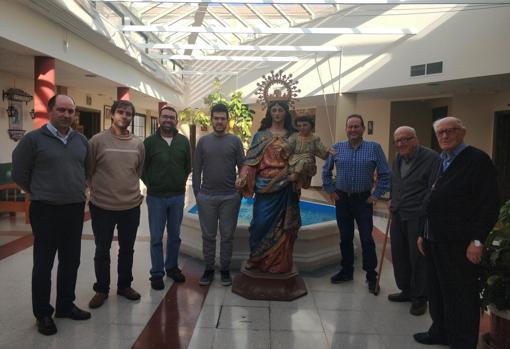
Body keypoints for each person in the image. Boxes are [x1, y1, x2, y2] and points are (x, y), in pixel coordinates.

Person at [414, 117, 500, 349]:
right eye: (440, 132)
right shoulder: (439, 160)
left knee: (461, 295)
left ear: (462, 132)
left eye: (450, 131)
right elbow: (431, 197)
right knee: (437, 291)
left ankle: (462, 342)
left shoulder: (477, 160)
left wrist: (478, 240)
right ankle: (440, 331)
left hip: (459, 243)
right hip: (434, 239)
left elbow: (489, 203)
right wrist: (423, 232)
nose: (444, 136)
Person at [12, 94, 91, 335]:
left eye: (71, 111)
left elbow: (86, 170)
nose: (67, 115)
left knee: (71, 260)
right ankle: (43, 313)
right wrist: (38, 191)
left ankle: (65, 305)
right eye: (62, 110)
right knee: (44, 263)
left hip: (74, 208)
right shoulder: (33, 140)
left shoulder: (81, 141)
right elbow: (19, 172)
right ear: (50, 110)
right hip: (45, 209)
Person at [322, 114, 390, 293]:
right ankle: (346, 271)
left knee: (367, 238)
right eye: (350, 126)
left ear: (363, 129)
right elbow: (326, 170)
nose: (353, 130)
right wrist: (330, 190)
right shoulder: (337, 148)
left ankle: (371, 275)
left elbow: (385, 174)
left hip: (363, 200)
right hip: (342, 199)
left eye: (356, 126)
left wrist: (375, 195)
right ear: (346, 129)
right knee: (345, 237)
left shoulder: (374, 148)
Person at [88, 100, 145, 308]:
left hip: (130, 206)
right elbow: (89, 170)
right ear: (112, 115)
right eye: (120, 112)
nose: (124, 116)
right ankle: (101, 289)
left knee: (127, 249)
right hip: (102, 206)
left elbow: (138, 171)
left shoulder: (138, 144)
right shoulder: (97, 141)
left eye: (129, 113)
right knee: (102, 249)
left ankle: (124, 286)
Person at [236, 100, 299, 273]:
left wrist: (301, 172)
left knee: (285, 226)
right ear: (270, 113)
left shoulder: (294, 136)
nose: (277, 113)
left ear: (286, 113)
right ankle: (256, 258)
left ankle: (279, 263)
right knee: (259, 223)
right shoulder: (261, 135)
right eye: (274, 110)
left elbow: (302, 158)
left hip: (287, 186)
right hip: (265, 187)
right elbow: (250, 160)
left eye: (280, 110)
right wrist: (242, 176)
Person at [388, 126, 440, 316]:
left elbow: (433, 189)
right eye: (398, 141)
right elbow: (395, 182)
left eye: (406, 139)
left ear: (415, 139)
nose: (401, 143)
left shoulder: (432, 158)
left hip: (418, 215)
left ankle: (420, 298)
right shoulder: (398, 158)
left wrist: (425, 213)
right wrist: (392, 199)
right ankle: (406, 290)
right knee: (399, 254)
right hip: (399, 213)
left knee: (418, 258)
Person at [192, 103, 245, 286]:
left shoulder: (235, 141)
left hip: (230, 197)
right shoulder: (203, 142)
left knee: (227, 236)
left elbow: (243, 166)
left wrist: (239, 190)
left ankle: (224, 270)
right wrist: (197, 194)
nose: (219, 121)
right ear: (211, 119)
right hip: (206, 197)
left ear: (227, 120)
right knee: (208, 236)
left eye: (223, 118)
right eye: (216, 118)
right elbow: (197, 168)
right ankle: (208, 269)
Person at [142, 105, 191, 290]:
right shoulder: (149, 143)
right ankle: (156, 272)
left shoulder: (183, 142)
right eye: (165, 117)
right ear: (159, 119)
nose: (168, 120)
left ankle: (171, 267)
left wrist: (179, 183)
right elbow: (142, 168)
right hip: (156, 197)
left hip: (177, 197)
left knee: (175, 236)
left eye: (172, 117)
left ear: (176, 120)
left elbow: (188, 166)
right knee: (156, 237)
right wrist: (151, 184)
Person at [287, 116, 331, 190]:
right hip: (294, 159)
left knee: (303, 162)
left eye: (305, 125)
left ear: (311, 125)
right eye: (299, 126)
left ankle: (296, 176)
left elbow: (321, 148)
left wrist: (327, 150)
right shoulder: (294, 136)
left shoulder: (315, 138)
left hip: (308, 160)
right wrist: (283, 147)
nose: (302, 128)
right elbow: (289, 147)